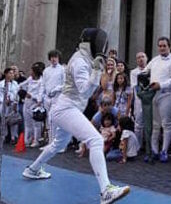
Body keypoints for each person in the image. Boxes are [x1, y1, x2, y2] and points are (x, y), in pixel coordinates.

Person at [22, 28, 130, 204]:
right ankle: (106, 190)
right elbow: (85, 91)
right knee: (95, 140)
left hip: (66, 108)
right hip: (66, 108)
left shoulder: (86, 59)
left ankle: (32, 170)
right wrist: (96, 71)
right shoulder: (80, 61)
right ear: (89, 43)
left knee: (58, 144)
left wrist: (97, 68)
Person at [145, 36, 171, 163]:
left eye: (164, 46)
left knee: (167, 124)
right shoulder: (154, 60)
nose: (161, 48)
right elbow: (145, 72)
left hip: (167, 95)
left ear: (169, 46)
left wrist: (161, 85)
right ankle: (154, 150)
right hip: (154, 95)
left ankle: (164, 150)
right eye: (160, 46)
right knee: (155, 125)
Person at [18, 62, 45, 148]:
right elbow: (21, 85)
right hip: (27, 103)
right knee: (27, 123)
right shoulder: (30, 79)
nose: (31, 73)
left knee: (36, 124)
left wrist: (33, 96)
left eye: (32, 71)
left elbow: (41, 94)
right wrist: (21, 90)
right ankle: (27, 140)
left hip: (35, 104)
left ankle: (36, 140)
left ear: (36, 72)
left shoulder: (42, 81)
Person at [42, 49, 65, 147]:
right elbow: (43, 84)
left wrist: (56, 89)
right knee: (49, 121)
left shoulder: (62, 69)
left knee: (54, 120)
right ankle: (50, 142)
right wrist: (42, 97)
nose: (53, 59)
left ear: (58, 58)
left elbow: (65, 84)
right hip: (47, 98)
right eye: (52, 57)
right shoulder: (46, 70)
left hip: (57, 97)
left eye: (55, 57)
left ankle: (57, 144)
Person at [129, 52, 147, 149]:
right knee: (138, 123)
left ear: (146, 58)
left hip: (150, 100)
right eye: (138, 57)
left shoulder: (151, 70)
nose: (141, 59)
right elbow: (135, 86)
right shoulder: (134, 72)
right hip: (139, 100)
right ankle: (137, 145)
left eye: (142, 57)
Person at [1, 67, 20, 144]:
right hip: (3, 105)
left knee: (13, 121)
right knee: (4, 121)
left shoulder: (15, 84)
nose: (12, 75)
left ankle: (13, 137)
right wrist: (4, 100)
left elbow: (17, 94)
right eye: (10, 73)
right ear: (6, 74)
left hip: (13, 104)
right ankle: (5, 136)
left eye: (13, 73)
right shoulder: (1, 84)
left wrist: (15, 101)